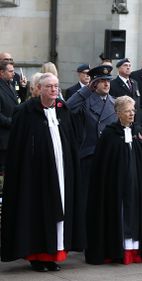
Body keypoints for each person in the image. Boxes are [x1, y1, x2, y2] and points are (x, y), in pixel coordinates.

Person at [1, 73, 84, 271]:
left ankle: (54, 254)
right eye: (49, 87)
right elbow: (18, 146)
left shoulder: (63, 110)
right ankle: (37, 256)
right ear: (39, 89)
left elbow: (71, 140)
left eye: (56, 86)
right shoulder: (25, 111)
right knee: (38, 213)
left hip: (61, 172)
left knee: (59, 211)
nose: (54, 90)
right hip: (35, 175)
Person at [85, 96, 142, 265]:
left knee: (136, 213)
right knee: (119, 214)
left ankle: (136, 251)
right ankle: (118, 251)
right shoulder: (109, 134)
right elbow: (103, 165)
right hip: (116, 187)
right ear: (118, 113)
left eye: (133, 110)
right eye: (127, 111)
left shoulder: (138, 131)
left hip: (136, 185)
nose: (131, 114)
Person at [66, 65, 118, 239]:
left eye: (108, 81)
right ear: (94, 84)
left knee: (106, 198)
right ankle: (84, 235)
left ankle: (103, 233)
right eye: (102, 81)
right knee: (87, 199)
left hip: (108, 158)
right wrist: (86, 91)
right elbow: (67, 108)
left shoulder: (114, 102)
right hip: (89, 156)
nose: (106, 84)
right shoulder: (85, 100)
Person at [109, 58, 142, 130]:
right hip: (121, 122)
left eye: (129, 66)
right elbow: (112, 106)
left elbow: (138, 105)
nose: (128, 67)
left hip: (135, 123)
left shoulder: (134, 83)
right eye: (125, 65)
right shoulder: (113, 84)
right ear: (119, 68)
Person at [0, 61, 19, 174]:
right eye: (10, 71)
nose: (14, 73)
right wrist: (11, 122)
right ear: (2, 72)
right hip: (3, 138)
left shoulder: (10, 85)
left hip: (11, 137)